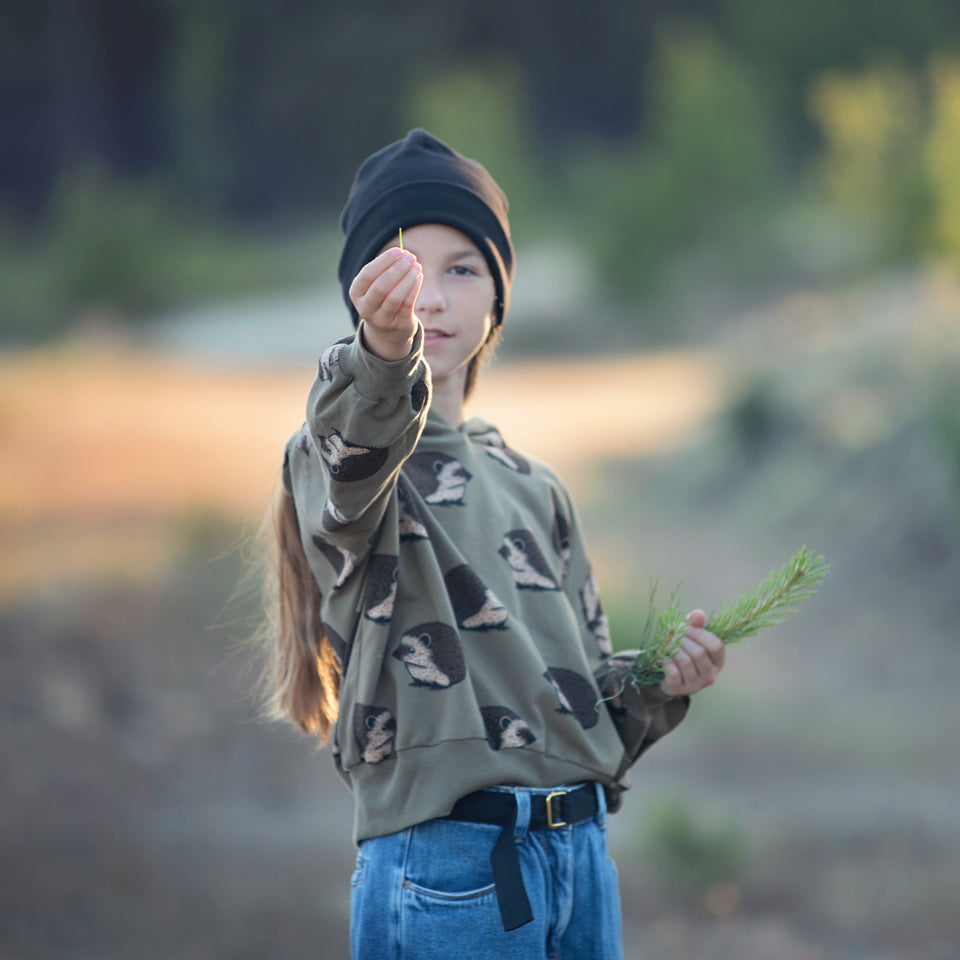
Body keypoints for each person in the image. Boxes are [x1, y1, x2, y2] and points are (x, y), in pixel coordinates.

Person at [261, 129, 725, 960]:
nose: (432, 299)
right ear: (363, 296)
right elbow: (357, 439)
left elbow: (581, 705)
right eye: (404, 269)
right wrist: (381, 354)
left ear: (499, 300)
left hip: (580, 857)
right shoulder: (342, 464)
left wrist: (658, 682)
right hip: (450, 866)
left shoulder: (536, 485)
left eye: (462, 269)